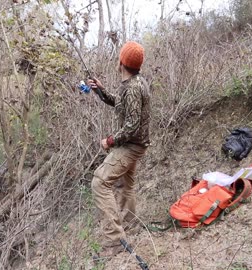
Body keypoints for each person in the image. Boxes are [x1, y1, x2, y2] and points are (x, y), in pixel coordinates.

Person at [87, 41, 151, 258]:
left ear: (122, 62)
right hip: (136, 145)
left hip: (130, 146)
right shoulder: (135, 82)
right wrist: (101, 91)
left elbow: (132, 126)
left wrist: (110, 141)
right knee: (126, 184)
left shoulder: (133, 88)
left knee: (99, 181)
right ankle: (129, 225)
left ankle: (115, 242)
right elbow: (121, 105)